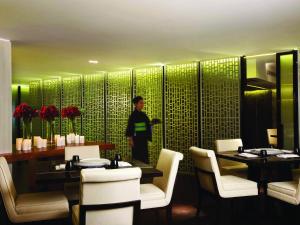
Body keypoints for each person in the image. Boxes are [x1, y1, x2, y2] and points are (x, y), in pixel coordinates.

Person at [126, 96, 152, 163]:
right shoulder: (133, 115)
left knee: (144, 156)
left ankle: (145, 171)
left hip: (143, 139)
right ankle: (137, 172)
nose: (142, 105)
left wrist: (152, 123)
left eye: (143, 103)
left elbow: (148, 124)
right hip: (136, 139)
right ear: (136, 104)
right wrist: (130, 140)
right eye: (140, 103)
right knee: (137, 157)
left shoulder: (144, 114)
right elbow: (130, 127)